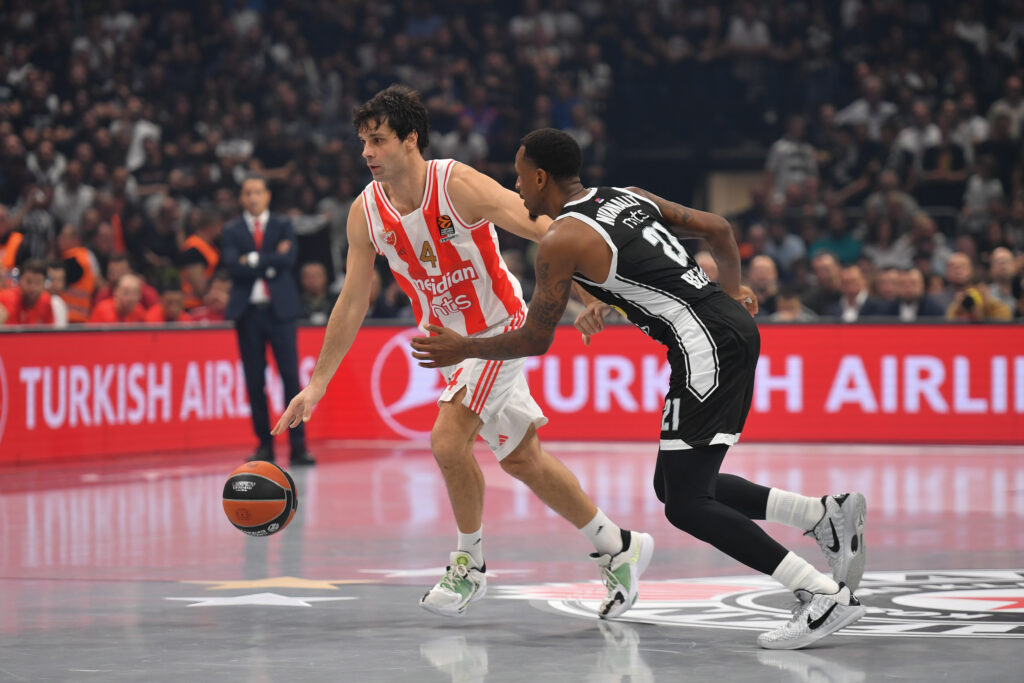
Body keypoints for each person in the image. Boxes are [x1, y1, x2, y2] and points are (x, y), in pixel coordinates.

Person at [411, 128, 867, 650]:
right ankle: (821, 515)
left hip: (705, 350)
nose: (516, 189)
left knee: (687, 504)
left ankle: (819, 594)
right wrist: (733, 290)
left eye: (519, 177)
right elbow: (717, 229)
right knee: (674, 486)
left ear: (540, 178)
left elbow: (536, 338)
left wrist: (462, 348)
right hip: (722, 330)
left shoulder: (561, 239)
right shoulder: (629, 197)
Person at [272, 86, 651, 620]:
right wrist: (317, 383)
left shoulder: (457, 184)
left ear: (410, 140)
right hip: (452, 348)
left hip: (500, 328)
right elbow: (352, 300)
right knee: (523, 458)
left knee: (448, 440)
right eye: (362, 142)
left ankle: (468, 565)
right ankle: (619, 545)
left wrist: (592, 293)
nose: (367, 153)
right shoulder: (366, 213)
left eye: (377, 140)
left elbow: (541, 226)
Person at [223, 175, 314, 466]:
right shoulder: (231, 229)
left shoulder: (284, 224)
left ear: (267, 196)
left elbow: (289, 261)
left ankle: (298, 445)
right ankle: (265, 444)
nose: (253, 197)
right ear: (241, 198)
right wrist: (269, 261)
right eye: (247, 193)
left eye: (258, 192)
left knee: (291, 379)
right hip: (248, 314)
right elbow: (231, 266)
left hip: (281, 313)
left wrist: (251, 260)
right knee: (254, 381)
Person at [0, 259, 54, 326]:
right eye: (28, 282)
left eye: (38, 283)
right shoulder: (5, 298)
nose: (32, 288)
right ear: (19, 281)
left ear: (44, 284)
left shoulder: (46, 300)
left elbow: (50, 333)